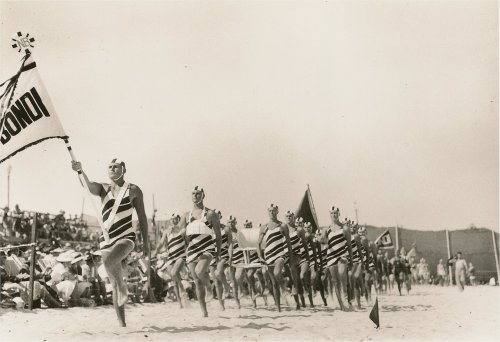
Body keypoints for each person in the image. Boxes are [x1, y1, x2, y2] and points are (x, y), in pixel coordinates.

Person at [71, 158, 150, 327]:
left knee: (108, 262)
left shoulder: (134, 190)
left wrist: (146, 242)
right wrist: (80, 171)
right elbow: (87, 185)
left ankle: (123, 286)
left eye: (116, 166)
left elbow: (142, 217)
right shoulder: (103, 188)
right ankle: (122, 324)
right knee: (114, 283)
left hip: (126, 236)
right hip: (106, 238)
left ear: (123, 169)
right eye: (110, 166)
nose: (113, 169)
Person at [179, 186, 221, 317]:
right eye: (193, 194)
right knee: (197, 281)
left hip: (207, 248)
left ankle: (209, 287)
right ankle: (204, 312)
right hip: (192, 249)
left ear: (203, 196)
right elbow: (182, 235)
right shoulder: (186, 215)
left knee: (199, 271)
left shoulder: (210, 214)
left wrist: (218, 252)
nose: (195, 196)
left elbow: (218, 235)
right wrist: (186, 248)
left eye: (198, 194)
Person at [257, 204, 295, 312]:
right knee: (274, 283)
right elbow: (258, 243)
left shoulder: (282, 226)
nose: (272, 213)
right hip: (269, 255)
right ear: (267, 212)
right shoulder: (264, 227)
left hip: (280, 254)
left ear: (277, 212)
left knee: (277, 273)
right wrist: (260, 256)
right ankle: (278, 308)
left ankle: (283, 287)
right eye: (270, 211)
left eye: (274, 211)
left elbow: (288, 243)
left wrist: (291, 258)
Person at [155, 213, 188, 308]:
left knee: (174, 274)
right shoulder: (167, 231)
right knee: (174, 281)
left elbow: (188, 242)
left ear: (178, 220)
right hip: (171, 257)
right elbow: (161, 242)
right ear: (170, 220)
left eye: (176, 219)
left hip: (181, 255)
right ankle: (180, 303)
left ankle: (183, 290)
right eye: (172, 219)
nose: (174, 221)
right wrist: (156, 250)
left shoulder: (182, 230)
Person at [323, 207, 351, 311]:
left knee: (341, 274)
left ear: (339, 214)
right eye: (332, 213)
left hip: (342, 255)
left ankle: (345, 299)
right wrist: (321, 238)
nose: (334, 215)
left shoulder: (345, 228)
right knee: (335, 281)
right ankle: (341, 305)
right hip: (331, 256)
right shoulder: (327, 229)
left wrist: (351, 260)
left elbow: (349, 245)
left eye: (335, 213)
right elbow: (323, 241)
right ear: (330, 215)